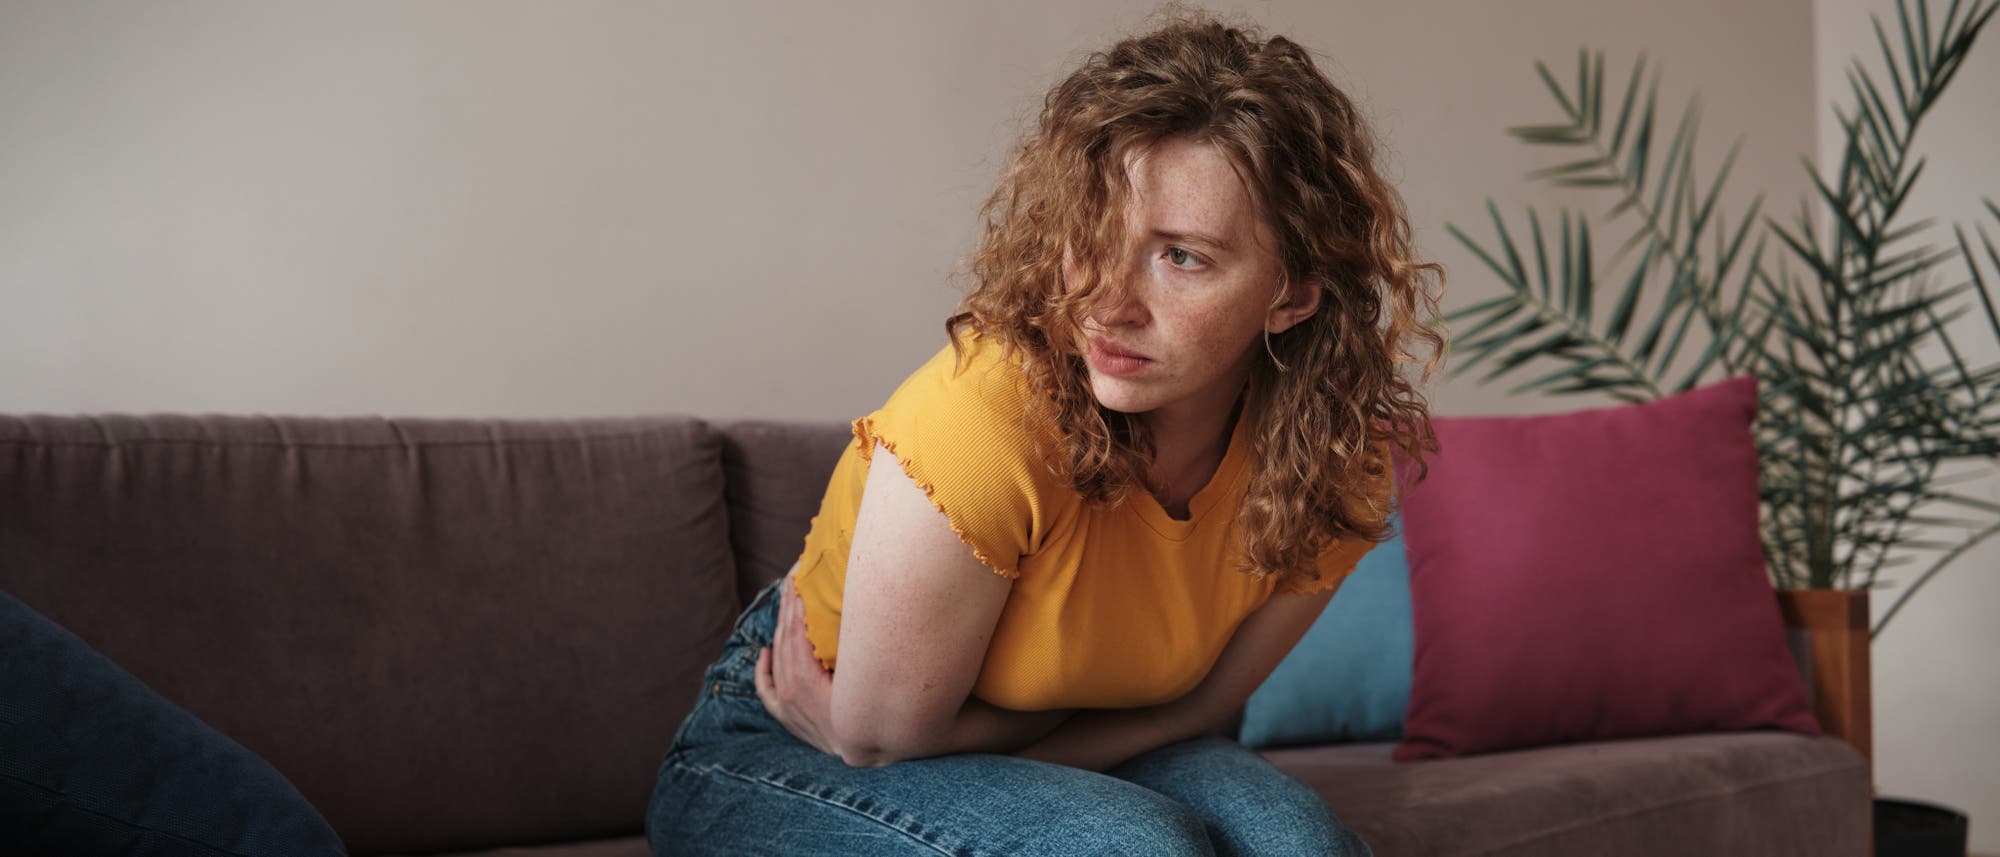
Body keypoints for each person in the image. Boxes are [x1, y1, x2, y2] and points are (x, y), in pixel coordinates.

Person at [647, 10, 1444, 856]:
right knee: (1137, 848)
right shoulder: (986, 413)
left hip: (1017, 737)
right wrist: (1066, 738)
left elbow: (1204, 705)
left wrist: (1051, 732)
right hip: (781, 741)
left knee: (1299, 847)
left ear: (1292, 295)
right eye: (1095, 235)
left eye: (1182, 257)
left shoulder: (1335, 460)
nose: (1108, 302)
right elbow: (879, 738)